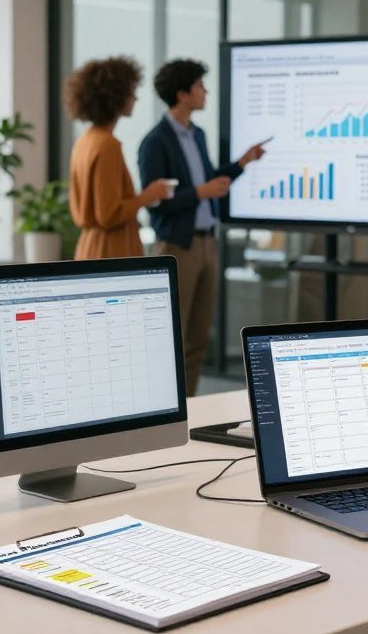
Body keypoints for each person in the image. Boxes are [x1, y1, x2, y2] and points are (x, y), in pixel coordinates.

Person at [138, 59, 266, 396]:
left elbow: (207, 181)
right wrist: (199, 193)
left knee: (198, 338)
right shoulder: (156, 142)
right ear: (182, 94)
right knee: (172, 338)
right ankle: (165, 409)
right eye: (199, 86)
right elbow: (156, 199)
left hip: (207, 244)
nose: (205, 92)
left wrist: (242, 163)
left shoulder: (197, 134)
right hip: (178, 246)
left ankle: (190, 405)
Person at [64, 56, 171, 260]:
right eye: (131, 92)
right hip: (111, 250)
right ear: (115, 97)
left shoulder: (85, 141)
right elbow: (108, 215)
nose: (135, 99)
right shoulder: (107, 146)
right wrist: (148, 196)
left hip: (90, 246)